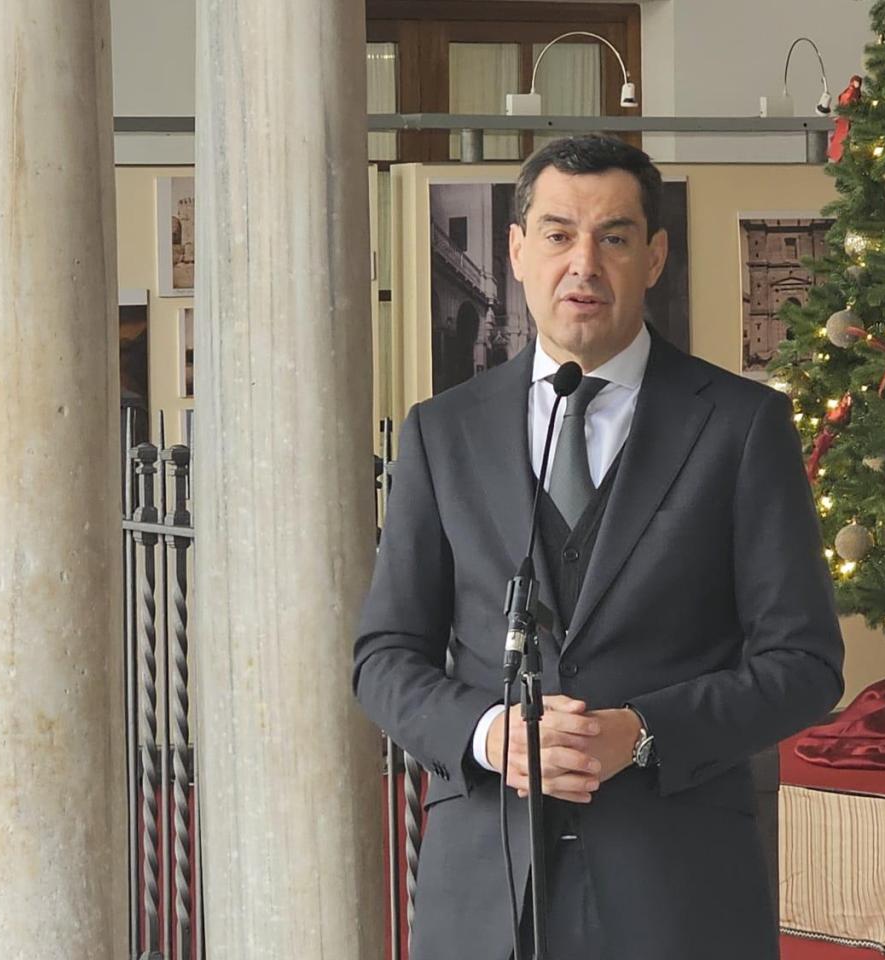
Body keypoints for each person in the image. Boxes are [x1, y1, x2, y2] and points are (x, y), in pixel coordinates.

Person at [352, 134, 845, 960]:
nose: (583, 262)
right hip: (485, 892)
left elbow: (804, 665)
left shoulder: (741, 427)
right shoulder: (442, 433)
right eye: (557, 234)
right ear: (516, 251)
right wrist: (484, 733)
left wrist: (644, 731)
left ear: (653, 257)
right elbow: (384, 656)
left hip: (679, 889)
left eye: (613, 237)